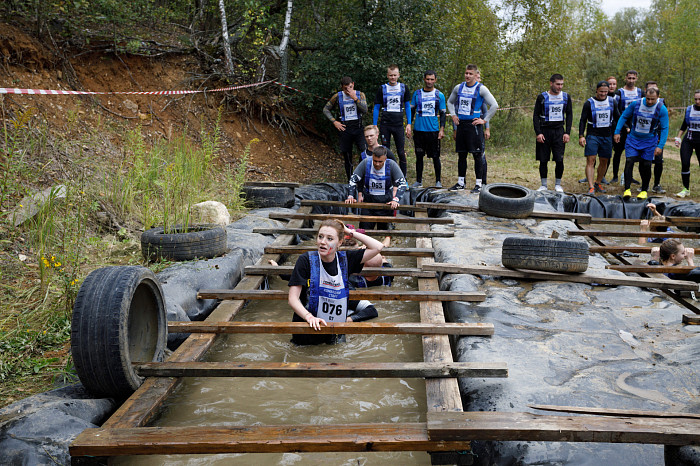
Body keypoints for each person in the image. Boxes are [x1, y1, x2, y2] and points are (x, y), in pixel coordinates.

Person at [287, 219, 385, 345]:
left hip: (334, 332)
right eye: (320, 237)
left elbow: (378, 247)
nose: (323, 242)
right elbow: (292, 298)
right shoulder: (305, 260)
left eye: (329, 238)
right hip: (307, 329)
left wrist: (350, 232)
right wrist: (309, 317)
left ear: (340, 242)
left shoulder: (346, 259)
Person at [446, 64, 499, 193]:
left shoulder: (481, 89)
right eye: (466, 73)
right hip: (461, 125)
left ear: (476, 75)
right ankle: (460, 182)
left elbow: (494, 105)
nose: (468, 76)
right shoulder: (459, 87)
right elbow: (450, 102)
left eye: (470, 74)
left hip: (474, 125)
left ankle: (479, 184)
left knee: (477, 155)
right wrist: (453, 115)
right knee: (461, 155)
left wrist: (484, 120)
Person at [614, 87, 669, 200]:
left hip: (650, 140)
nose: (649, 102)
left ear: (658, 97)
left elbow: (665, 128)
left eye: (652, 99)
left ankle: (644, 190)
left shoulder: (661, 109)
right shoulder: (636, 104)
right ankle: (627, 189)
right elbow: (624, 116)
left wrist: (660, 146)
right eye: (647, 98)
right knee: (629, 161)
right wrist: (617, 132)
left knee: (646, 164)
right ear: (644, 96)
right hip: (633, 138)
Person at [345, 145, 408, 230]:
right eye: (375, 161)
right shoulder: (366, 162)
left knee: (384, 232)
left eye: (380, 161)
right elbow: (353, 179)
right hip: (368, 203)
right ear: (372, 157)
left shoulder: (391, 164)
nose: (377, 164)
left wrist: (396, 199)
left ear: (385, 159)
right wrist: (351, 196)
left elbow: (403, 184)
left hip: (386, 204)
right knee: (364, 231)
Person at [532, 73, 573, 192]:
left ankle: (558, 184)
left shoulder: (566, 97)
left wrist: (567, 132)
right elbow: (535, 115)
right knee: (543, 159)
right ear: (551, 83)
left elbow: (569, 114)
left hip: (559, 131)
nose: (560, 87)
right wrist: (538, 132)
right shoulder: (542, 97)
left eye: (562, 84)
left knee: (559, 159)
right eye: (557, 84)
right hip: (545, 130)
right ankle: (543, 184)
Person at [323, 77, 368, 181]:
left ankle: (362, 178)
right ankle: (350, 181)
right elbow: (326, 109)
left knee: (364, 152)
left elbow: (365, 110)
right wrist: (334, 121)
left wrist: (355, 99)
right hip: (345, 128)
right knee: (347, 156)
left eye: (350, 87)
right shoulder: (337, 96)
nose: (348, 91)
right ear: (342, 87)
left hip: (358, 127)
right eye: (345, 89)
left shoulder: (360, 94)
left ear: (353, 84)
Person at [406, 70, 446, 188]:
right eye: (427, 79)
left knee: (435, 157)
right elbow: (411, 111)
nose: (429, 81)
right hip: (419, 130)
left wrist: (442, 129)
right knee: (419, 156)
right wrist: (409, 125)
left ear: (435, 80)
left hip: (433, 130)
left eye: (432, 79)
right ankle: (419, 181)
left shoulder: (440, 95)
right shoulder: (417, 94)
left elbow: (443, 114)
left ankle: (438, 181)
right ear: (424, 79)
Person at [578, 81, 620, 194]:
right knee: (591, 160)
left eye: (606, 92)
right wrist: (581, 136)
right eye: (601, 91)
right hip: (593, 135)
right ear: (596, 90)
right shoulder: (589, 103)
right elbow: (582, 120)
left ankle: (598, 182)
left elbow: (618, 117)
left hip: (607, 136)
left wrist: (618, 132)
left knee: (604, 161)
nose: (603, 94)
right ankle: (591, 186)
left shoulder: (612, 102)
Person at [373, 65, 411, 177]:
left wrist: (409, 123)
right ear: (387, 76)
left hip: (398, 124)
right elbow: (376, 107)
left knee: (401, 152)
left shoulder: (404, 88)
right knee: (385, 151)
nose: (393, 77)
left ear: (398, 75)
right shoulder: (382, 88)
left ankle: (403, 178)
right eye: (390, 75)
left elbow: (407, 106)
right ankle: (386, 176)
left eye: (395, 75)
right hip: (385, 124)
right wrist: (375, 125)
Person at [610, 70, 643, 185]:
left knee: (632, 153)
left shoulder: (640, 92)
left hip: (635, 126)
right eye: (629, 78)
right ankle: (615, 176)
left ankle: (630, 176)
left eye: (633, 78)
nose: (631, 81)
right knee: (618, 152)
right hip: (623, 125)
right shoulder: (620, 92)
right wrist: (623, 126)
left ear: (636, 79)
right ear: (625, 78)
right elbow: (617, 110)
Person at [675, 89, 700, 197]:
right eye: (696, 99)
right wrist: (678, 138)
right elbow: (684, 125)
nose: (697, 101)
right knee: (685, 164)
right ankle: (686, 189)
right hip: (688, 140)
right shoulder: (689, 109)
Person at [645, 81, 666, 194]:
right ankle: (645, 184)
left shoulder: (662, 103)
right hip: (644, 135)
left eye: (655, 89)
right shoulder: (641, 103)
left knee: (658, 160)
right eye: (650, 89)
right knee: (645, 161)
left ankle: (656, 184)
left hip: (657, 135)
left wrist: (661, 141)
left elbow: (664, 122)